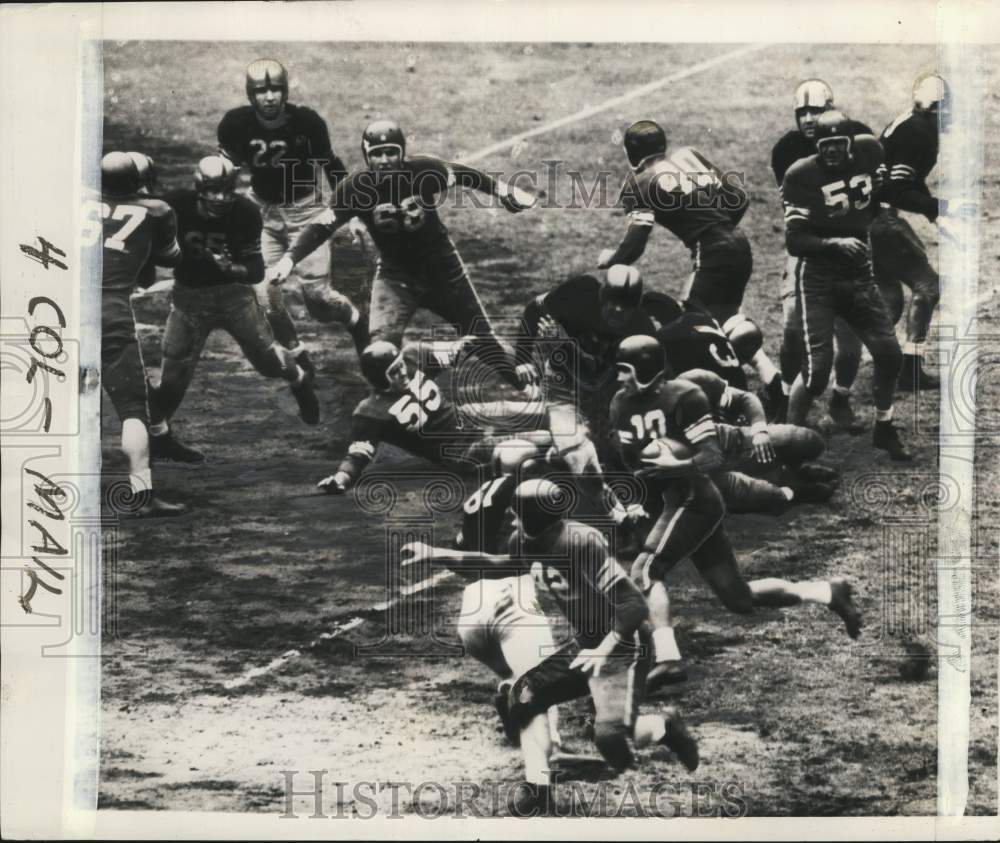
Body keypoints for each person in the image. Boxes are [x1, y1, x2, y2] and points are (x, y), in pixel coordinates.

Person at [401, 477, 701, 816]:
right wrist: (436, 553)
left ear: (534, 519)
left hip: (624, 646)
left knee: (610, 741)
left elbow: (632, 604)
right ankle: (538, 789)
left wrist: (604, 648)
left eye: (518, 515)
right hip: (586, 644)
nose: (513, 521)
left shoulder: (581, 542)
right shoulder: (525, 540)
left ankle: (665, 727)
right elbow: (495, 565)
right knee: (524, 695)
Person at [610, 335, 863, 690]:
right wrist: (635, 492)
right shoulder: (621, 404)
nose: (619, 378)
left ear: (645, 368)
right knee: (739, 597)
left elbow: (711, 457)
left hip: (697, 498)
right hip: (676, 500)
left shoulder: (685, 396)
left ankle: (668, 659)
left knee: (646, 570)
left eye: (624, 370)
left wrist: (674, 463)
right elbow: (630, 461)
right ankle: (827, 592)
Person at [267, 118, 534, 386]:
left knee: (486, 345)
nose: (384, 160)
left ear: (401, 152)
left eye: (390, 152)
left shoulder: (422, 170)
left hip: (443, 272)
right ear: (366, 156)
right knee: (380, 351)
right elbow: (321, 226)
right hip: (396, 277)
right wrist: (289, 260)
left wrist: (503, 191)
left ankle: (537, 389)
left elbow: (464, 173)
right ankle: (389, 409)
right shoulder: (356, 187)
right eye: (376, 154)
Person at [146, 156, 320, 464]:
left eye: (226, 191)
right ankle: (160, 438)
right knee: (172, 381)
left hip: (234, 299)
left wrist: (231, 268)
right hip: (189, 300)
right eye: (213, 190)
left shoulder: (245, 212)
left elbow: (254, 272)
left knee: (269, 365)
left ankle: (299, 378)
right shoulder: (175, 206)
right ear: (200, 189)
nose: (219, 198)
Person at [598, 119, 782, 398]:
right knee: (724, 319)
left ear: (630, 153)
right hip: (738, 244)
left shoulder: (639, 182)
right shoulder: (688, 156)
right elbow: (739, 199)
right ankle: (773, 381)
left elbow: (636, 243)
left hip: (712, 252)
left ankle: (729, 397)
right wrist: (716, 227)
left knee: (694, 329)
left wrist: (612, 259)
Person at [217, 58, 368, 377]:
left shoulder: (307, 122)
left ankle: (355, 319)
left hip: (305, 211)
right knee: (263, 294)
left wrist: (351, 215)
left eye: (275, 89)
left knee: (318, 300)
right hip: (261, 211)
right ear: (250, 94)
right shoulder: (236, 123)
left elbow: (332, 166)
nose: (269, 97)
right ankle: (299, 356)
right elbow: (223, 174)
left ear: (285, 91)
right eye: (261, 91)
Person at [781, 111, 911, 460]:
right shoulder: (801, 174)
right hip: (819, 278)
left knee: (889, 353)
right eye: (826, 145)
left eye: (839, 144)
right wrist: (834, 243)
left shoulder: (870, 153)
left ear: (850, 143)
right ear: (816, 146)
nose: (833, 151)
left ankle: (884, 427)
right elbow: (794, 241)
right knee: (816, 371)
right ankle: (788, 437)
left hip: (857, 275)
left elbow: (881, 192)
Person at [770, 79, 883, 428]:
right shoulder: (788, 152)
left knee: (849, 337)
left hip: (851, 251)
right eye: (801, 112)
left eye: (815, 111)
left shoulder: (860, 139)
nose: (807, 118)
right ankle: (785, 395)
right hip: (810, 249)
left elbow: (876, 188)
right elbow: (800, 218)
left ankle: (841, 398)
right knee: (792, 329)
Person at [317, 338, 550, 494]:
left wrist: (463, 343)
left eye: (400, 365)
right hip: (460, 449)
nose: (402, 372)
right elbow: (357, 456)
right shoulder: (371, 411)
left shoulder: (412, 356)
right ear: (378, 378)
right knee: (540, 439)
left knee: (536, 410)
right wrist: (340, 479)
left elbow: (453, 351)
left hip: (467, 416)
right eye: (393, 372)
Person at [89, 151, 186, 517]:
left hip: (63, 307)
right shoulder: (156, 210)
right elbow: (171, 257)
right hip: (111, 309)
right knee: (133, 409)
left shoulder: (78, 199)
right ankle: (142, 495)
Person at [877, 73, 952, 391]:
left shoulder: (911, 122)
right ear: (934, 108)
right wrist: (937, 208)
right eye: (946, 109)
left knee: (890, 299)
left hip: (867, 217)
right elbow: (897, 189)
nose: (950, 117)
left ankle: (875, 367)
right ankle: (910, 369)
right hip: (879, 220)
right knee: (929, 286)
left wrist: (934, 213)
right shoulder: (919, 133)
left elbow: (907, 182)